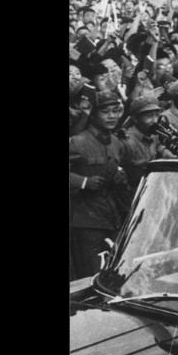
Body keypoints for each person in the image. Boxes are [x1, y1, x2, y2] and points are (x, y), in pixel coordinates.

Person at [68, 91, 130, 280]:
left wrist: (120, 179)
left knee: (113, 273)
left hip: (111, 217)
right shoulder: (77, 142)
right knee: (90, 276)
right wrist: (84, 182)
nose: (112, 116)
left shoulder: (117, 143)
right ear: (93, 115)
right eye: (105, 112)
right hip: (85, 220)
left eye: (115, 111)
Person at [119, 95, 163, 191]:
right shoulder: (126, 142)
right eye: (149, 116)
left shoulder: (154, 134)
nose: (155, 120)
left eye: (156, 114)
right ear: (135, 119)